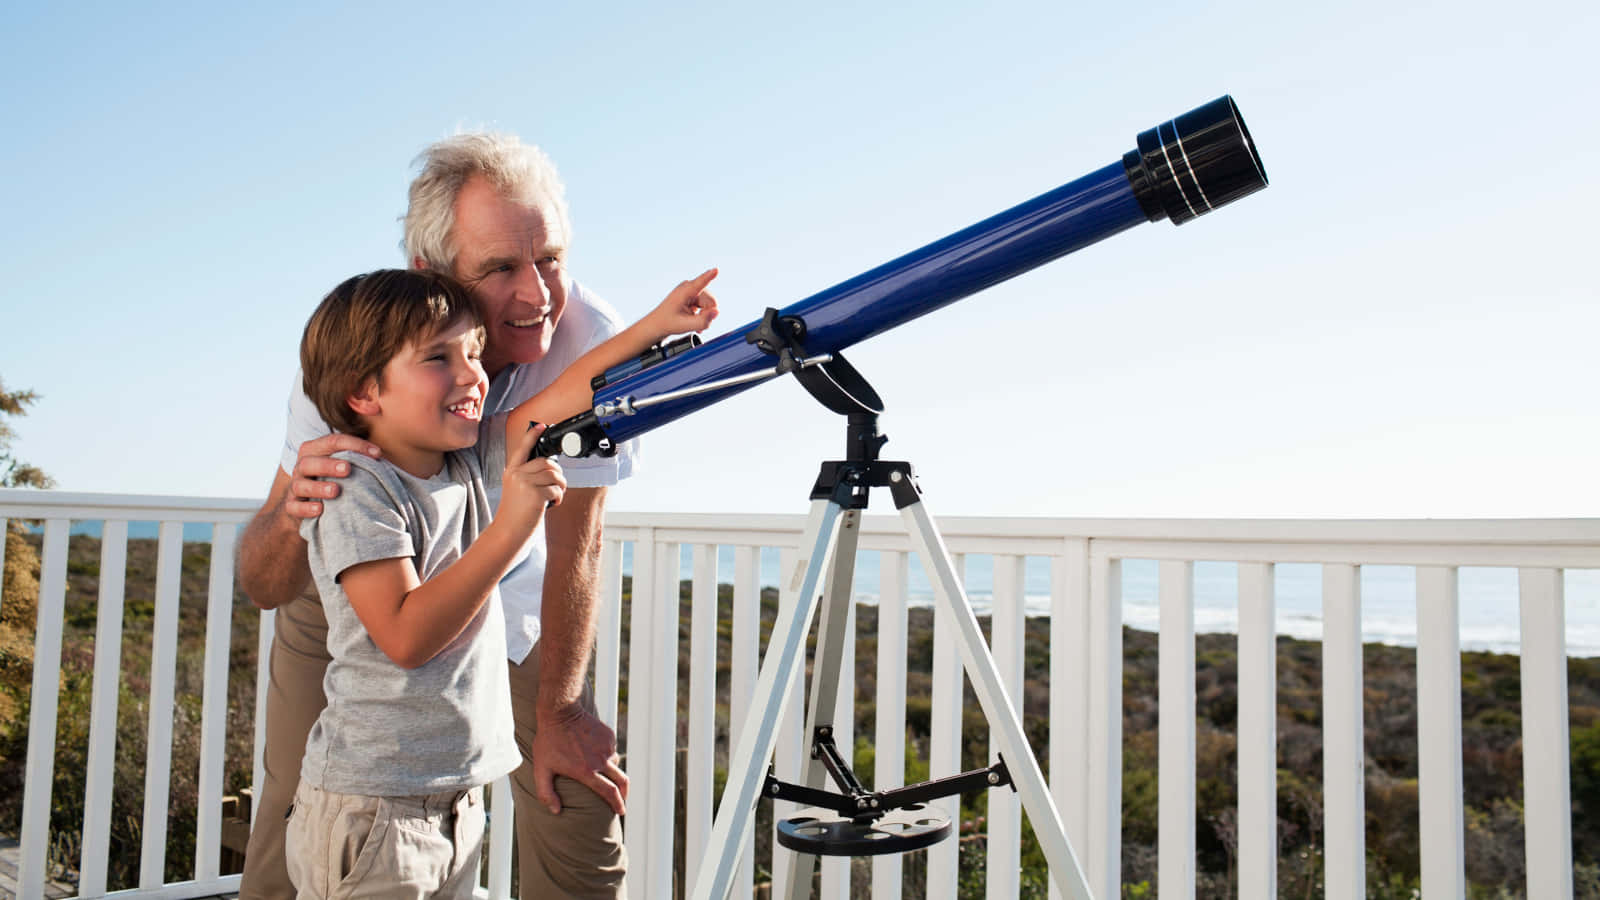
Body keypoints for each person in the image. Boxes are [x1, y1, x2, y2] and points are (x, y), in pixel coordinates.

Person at [238, 134, 657, 898]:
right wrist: (288, 521)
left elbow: (579, 544)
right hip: (364, 592)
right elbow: (272, 585)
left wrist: (562, 709)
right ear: (431, 273)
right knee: (298, 824)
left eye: (552, 259)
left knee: (580, 813)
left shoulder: (585, 336)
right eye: (500, 268)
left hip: (513, 606)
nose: (537, 295)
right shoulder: (352, 351)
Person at [282, 267, 715, 898]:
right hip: (373, 807)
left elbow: (568, 394)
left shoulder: (468, 454)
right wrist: (513, 524)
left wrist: (656, 326)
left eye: (475, 353)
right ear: (364, 393)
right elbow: (405, 635)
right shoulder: (354, 484)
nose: (471, 374)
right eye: (438, 358)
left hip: (453, 801)